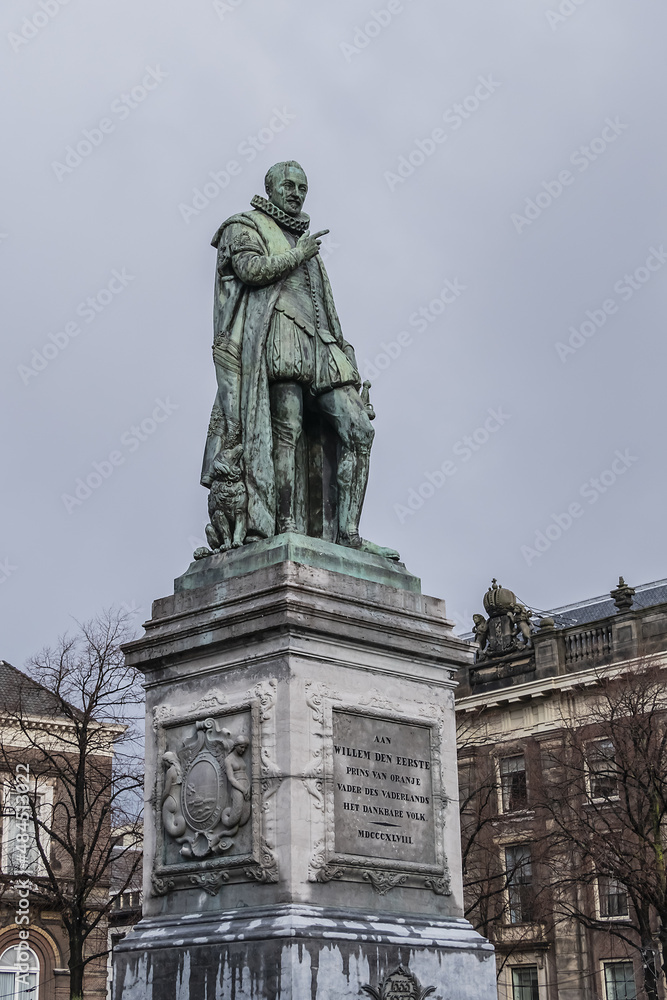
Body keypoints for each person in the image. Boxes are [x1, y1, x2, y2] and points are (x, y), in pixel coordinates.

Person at [201, 160, 397, 559]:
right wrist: (299, 254)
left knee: (360, 431)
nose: (295, 193)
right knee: (285, 432)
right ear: (270, 188)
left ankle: (349, 535)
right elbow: (250, 270)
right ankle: (283, 526)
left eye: (302, 188)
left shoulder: (307, 243)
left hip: (321, 344)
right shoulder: (244, 225)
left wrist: (347, 356)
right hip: (278, 333)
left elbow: (327, 306)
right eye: (288, 186)